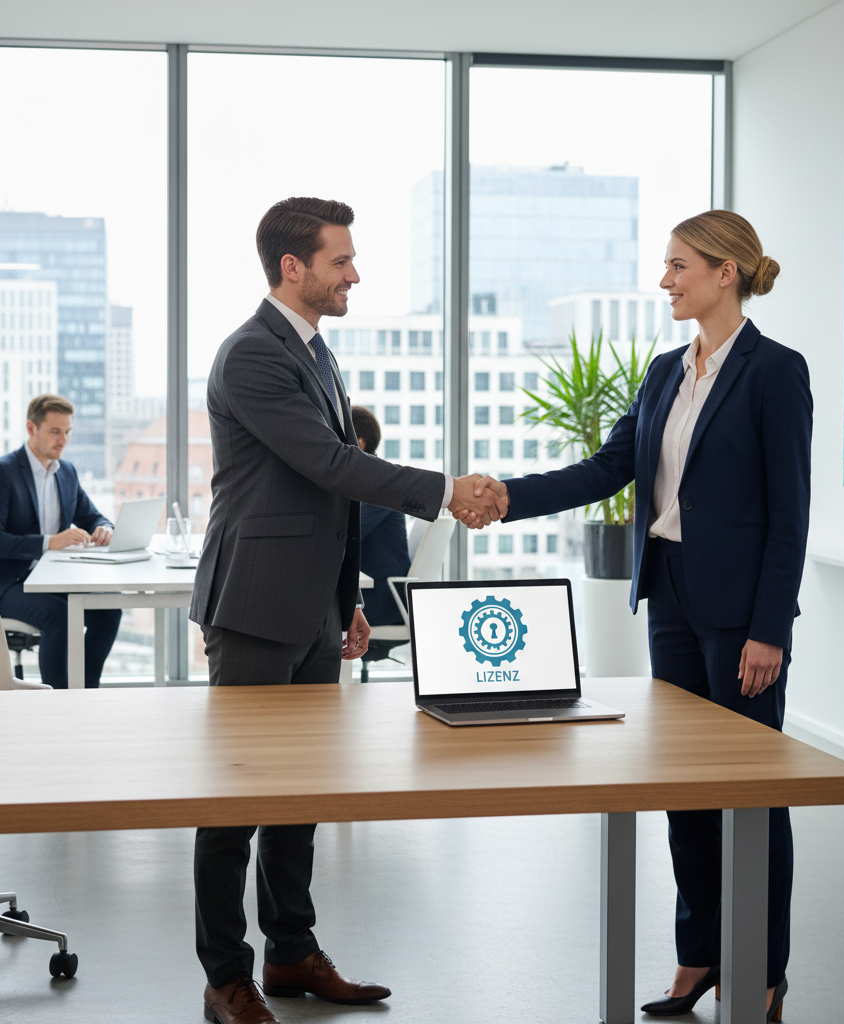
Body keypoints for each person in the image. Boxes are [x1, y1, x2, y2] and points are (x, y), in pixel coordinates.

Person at [465, 210, 811, 1020]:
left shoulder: (774, 372)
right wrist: (509, 497)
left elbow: (791, 513)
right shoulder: (663, 373)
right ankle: (698, 957)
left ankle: (761, 969)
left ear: (727, 273)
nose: (665, 281)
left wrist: (771, 628)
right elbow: (609, 467)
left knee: (752, 793)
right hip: (671, 598)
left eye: (679, 266)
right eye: (666, 266)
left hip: (739, 613)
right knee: (684, 787)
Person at [188, 196, 506, 1024]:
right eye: (341, 260)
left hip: (310, 607)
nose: (354, 273)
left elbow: (324, 499)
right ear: (293, 267)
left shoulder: (315, 352)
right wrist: (446, 491)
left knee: (299, 794)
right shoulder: (251, 355)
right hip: (255, 606)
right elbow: (331, 464)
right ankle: (228, 975)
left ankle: (291, 951)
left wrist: (345, 599)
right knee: (235, 801)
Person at [0, 394, 121, 688]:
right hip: (11, 582)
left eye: (67, 432)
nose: (63, 440)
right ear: (32, 428)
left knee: (109, 609)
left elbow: (92, 515)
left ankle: (85, 689)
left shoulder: (65, 471)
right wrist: (48, 542)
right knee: (61, 617)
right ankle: (59, 701)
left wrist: (104, 527)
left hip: (53, 578)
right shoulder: (5, 472)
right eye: (55, 431)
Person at [350, 405, 411, 627]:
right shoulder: (366, 481)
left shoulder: (379, 484)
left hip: (381, 599)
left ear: (359, 443)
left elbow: (348, 532)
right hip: (372, 591)